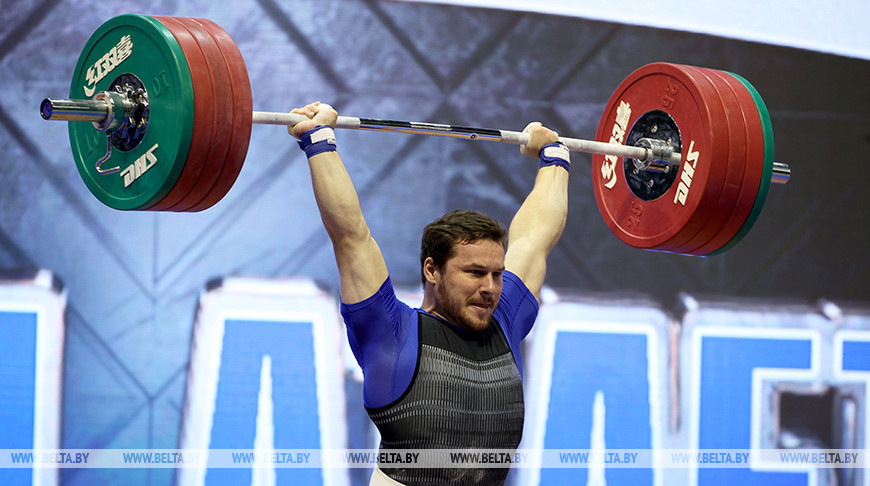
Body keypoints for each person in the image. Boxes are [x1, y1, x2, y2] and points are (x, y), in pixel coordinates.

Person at [289, 102, 569, 485]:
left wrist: (554, 157)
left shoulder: (504, 320)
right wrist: (318, 140)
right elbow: (350, 235)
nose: (490, 288)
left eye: (497, 274)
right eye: (473, 273)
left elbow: (536, 238)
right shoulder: (391, 332)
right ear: (432, 269)